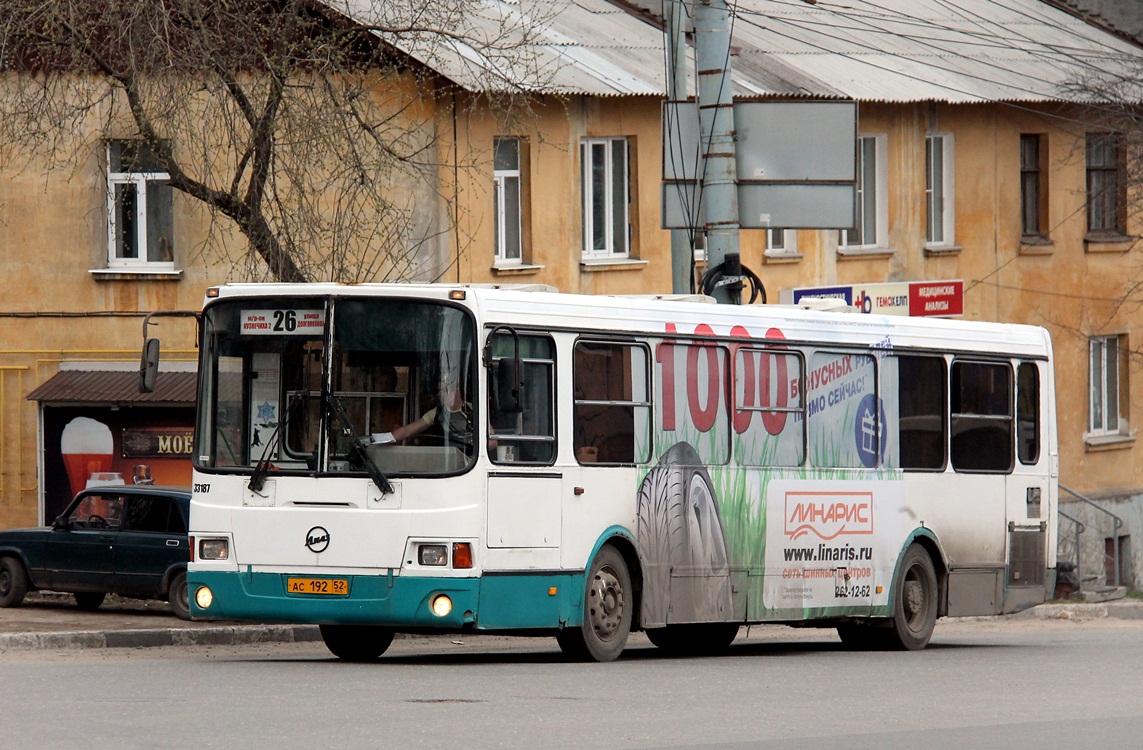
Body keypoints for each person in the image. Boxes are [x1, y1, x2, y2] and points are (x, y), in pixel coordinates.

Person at [367, 375, 471, 447]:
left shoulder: (474, 410)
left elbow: (487, 439)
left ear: (456, 391)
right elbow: (406, 431)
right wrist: (374, 439)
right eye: (440, 391)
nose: (439, 395)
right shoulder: (436, 413)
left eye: (443, 390)